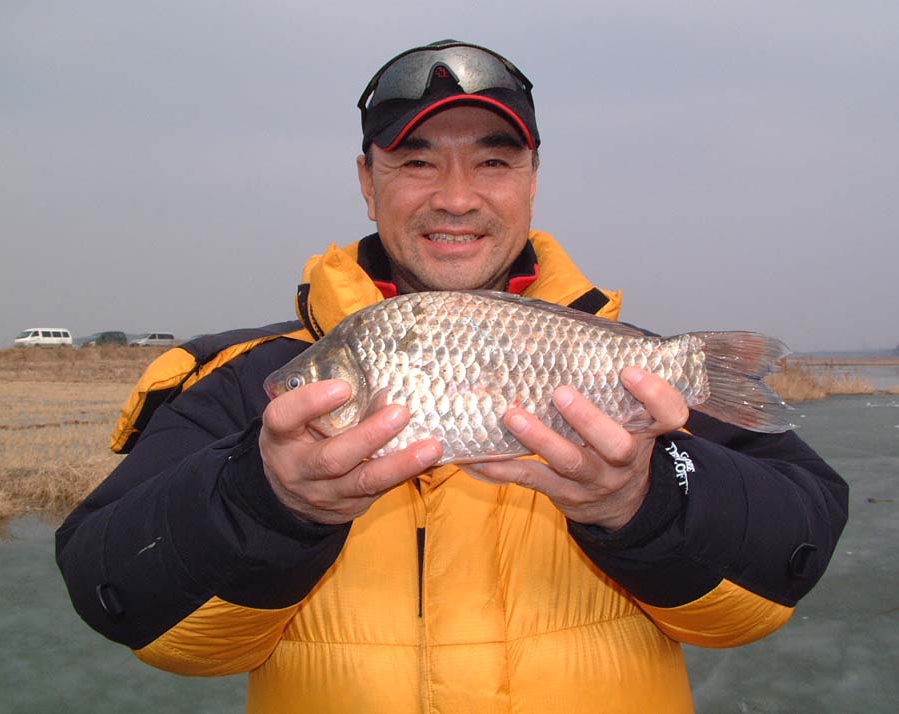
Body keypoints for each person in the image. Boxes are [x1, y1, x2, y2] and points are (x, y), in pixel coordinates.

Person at [56, 40, 849, 713]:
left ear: (532, 179)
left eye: (494, 161)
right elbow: (119, 598)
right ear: (367, 181)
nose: (458, 198)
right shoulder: (237, 378)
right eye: (416, 161)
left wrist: (647, 498)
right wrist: (264, 499)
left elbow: (789, 566)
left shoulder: (632, 366)